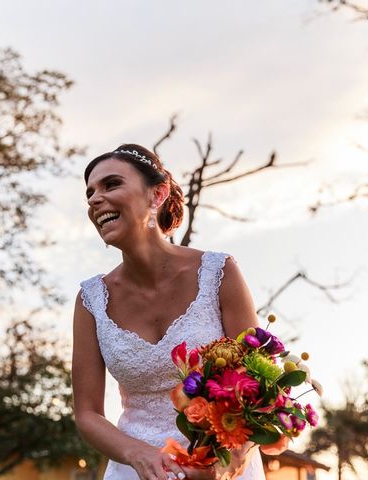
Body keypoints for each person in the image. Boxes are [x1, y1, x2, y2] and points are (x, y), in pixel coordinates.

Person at [72, 144, 266, 480]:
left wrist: (224, 464)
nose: (93, 199)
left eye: (111, 184)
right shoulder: (91, 300)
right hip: (136, 470)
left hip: (222, 466)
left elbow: (257, 384)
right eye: (90, 192)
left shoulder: (219, 274)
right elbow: (87, 414)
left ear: (157, 194)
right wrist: (139, 455)